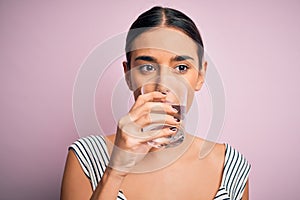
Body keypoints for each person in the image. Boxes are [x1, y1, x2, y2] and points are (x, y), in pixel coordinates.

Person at [61, 6, 250, 200]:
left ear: (200, 76)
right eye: (147, 67)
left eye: (181, 67)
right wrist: (115, 171)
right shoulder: (86, 157)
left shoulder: (230, 166)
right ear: (128, 75)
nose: (163, 86)